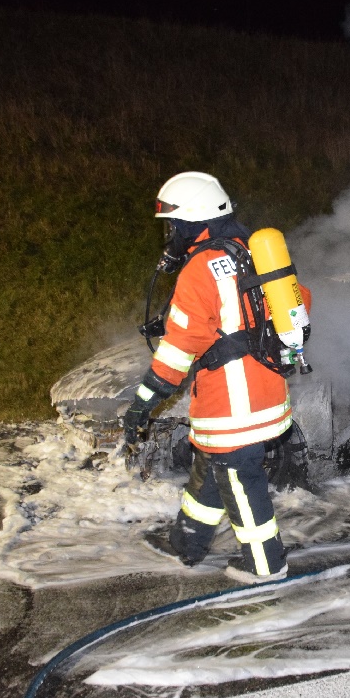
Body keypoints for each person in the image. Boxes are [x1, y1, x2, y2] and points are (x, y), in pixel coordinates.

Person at [122, 171, 303, 583]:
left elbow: (179, 350)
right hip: (265, 388)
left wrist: (143, 403)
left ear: (192, 221)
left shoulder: (201, 268)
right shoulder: (251, 249)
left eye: (173, 225)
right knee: (213, 467)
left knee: (238, 475)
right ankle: (187, 543)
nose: (170, 235)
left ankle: (266, 564)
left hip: (232, 401)